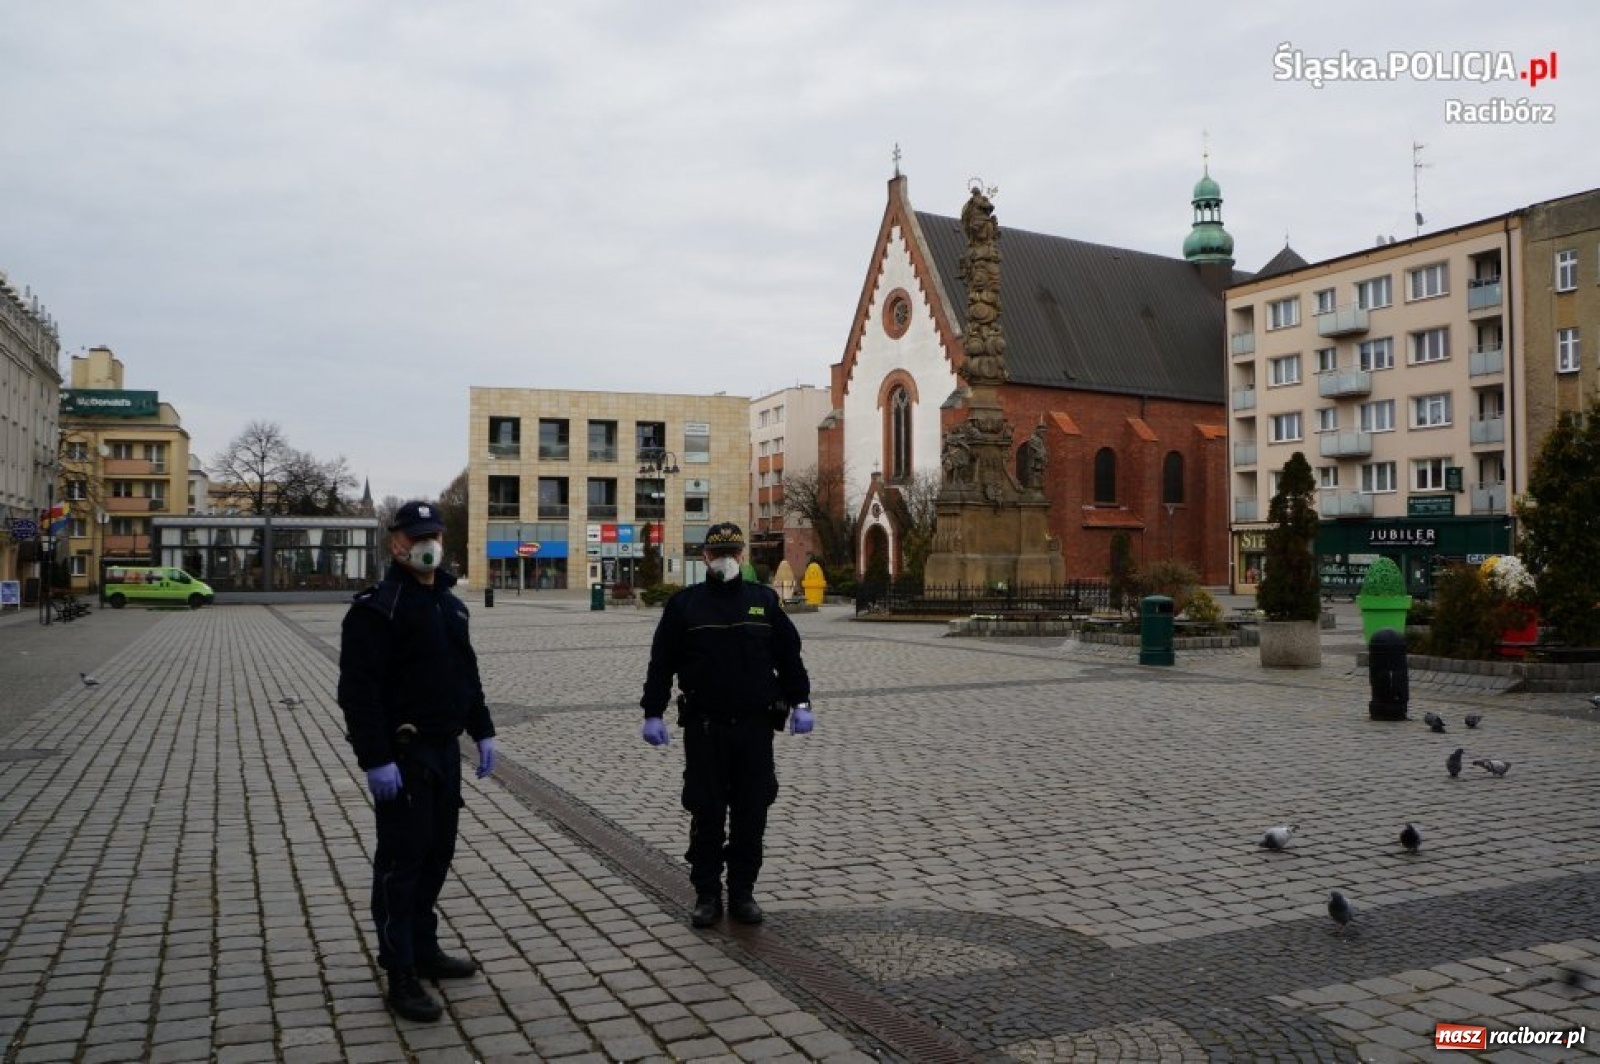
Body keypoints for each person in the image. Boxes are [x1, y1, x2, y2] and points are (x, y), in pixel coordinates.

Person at [337, 501, 497, 1022]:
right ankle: (399, 969)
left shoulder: (449, 604)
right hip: (403, 756)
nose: (427, 544)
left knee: (437, 853)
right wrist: (375, 759)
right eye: (415, 536)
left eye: (434, 535)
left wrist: (483, 728)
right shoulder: (377, 609)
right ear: (396, 544)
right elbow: (358, 693)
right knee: (401, 865)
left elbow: (465, 672)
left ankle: (423, 948)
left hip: (444, 751)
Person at [639, 521, 813, 928]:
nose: (725, 561)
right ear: (704, 558)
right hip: (706, 727)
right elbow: (661, 663)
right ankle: (706, 894)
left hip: (754, 728)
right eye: (717, 555)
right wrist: (652, 710)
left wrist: (802, 701)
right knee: (707, 811)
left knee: (753, 812)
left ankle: (742, 893)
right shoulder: (685, 605)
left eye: (732, 554)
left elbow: (789, 657)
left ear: (742, 557)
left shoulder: (764, 602)